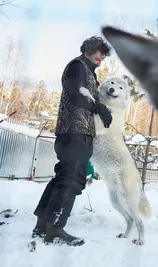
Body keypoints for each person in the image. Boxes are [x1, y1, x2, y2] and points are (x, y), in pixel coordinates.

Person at [31, 36, 113, 246]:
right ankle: (55, 229)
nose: (101, 59)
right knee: (71, 181)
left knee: (62, 178)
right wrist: (99, 107)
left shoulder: (87, 71)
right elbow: (78, 95)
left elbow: (85, 95)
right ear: (88, 51)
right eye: (99, 55)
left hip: (74, 134)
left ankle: (43, 226)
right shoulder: (77, 67)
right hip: (75, 134)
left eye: (103, 57)